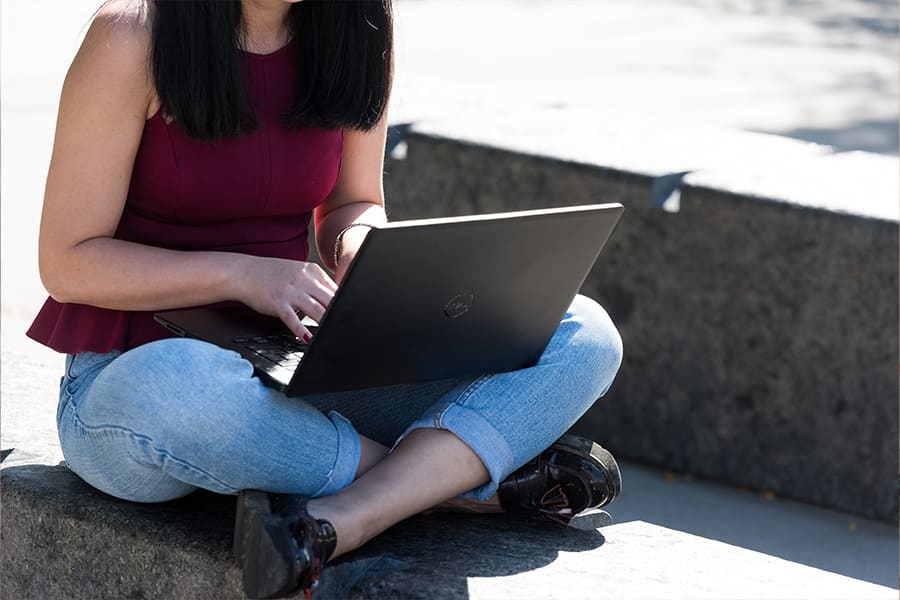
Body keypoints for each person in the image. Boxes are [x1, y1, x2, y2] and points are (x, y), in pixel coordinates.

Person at [27, 0, 624, 597]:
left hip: (300, 358)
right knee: (183, 386)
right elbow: (69, 261)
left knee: (584, 333)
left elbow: (352, 204)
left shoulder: (357, 23)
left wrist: (363, 250)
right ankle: (460, 488)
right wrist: (242, 275)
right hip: (134, 381)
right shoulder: (132, 35)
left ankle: (349, 517)